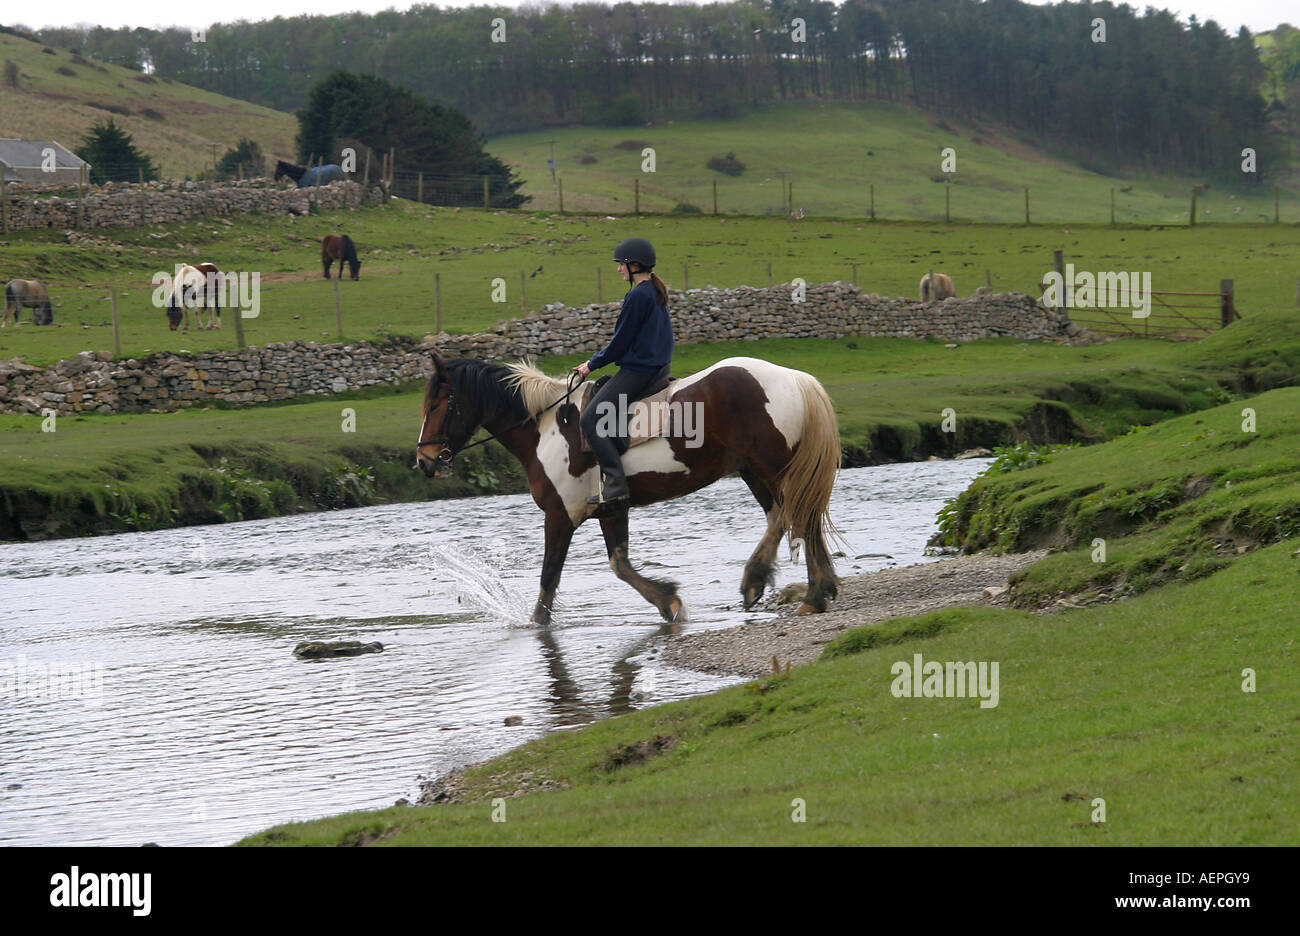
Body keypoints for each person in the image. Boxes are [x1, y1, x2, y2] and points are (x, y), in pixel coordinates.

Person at [574, 237, 674, 505]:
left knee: (590, 421)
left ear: (635, 265)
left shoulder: (637, 295)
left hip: (640, 371)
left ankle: (616, 484)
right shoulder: (654, 289)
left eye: (622, 265)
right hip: (657, 367)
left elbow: (620, 343)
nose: (619, 269)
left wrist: (590, 364)